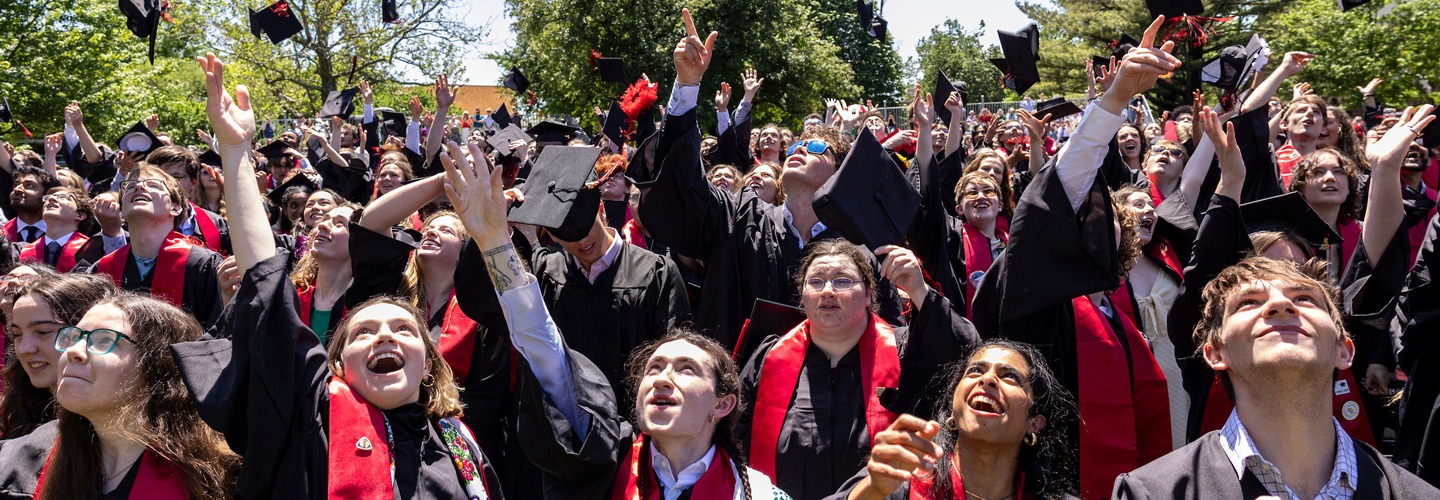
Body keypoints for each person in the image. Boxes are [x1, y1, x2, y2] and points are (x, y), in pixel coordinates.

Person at [440, 68, 790, 498]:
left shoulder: (654, 271)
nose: (581, 242)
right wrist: (489, 237)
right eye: (567, 236)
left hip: (633, 437)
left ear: (603, 211)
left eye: (587, 228)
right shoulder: (546, 269)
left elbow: (671, 350)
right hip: (559, 435)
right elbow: (510, 316)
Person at [169, 53, 504, 499]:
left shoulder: (462, 450)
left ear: (430, 363)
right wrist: (235, 154)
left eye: (405, 328)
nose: (385, 336)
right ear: (338, 364)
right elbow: (265, 284)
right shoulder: (311, 416)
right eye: (363, 331)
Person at [971, 18, 1180, 497]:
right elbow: (1056, 192)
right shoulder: (1038, 296)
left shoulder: (1118, 315)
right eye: (1071, 215)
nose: (1076, 219)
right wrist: (1111, 103)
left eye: (1094, 219)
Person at [1113, 258, 1437, 499]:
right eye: (1249, 302)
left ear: (1344, 351)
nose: (1281, 304)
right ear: (1215, 354)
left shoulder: (1418, 496)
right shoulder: (1153, 492)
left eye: (1305, 299)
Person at [0, 292, 239, 498]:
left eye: (103, 340)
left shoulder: (220, 475)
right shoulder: (28, 463)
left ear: (157, 368)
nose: (73, 351)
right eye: (73, 337)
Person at [828, 340, 1077, 499]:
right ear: (953, 410)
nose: (987, 380)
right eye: (975, 370)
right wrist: (873, 490)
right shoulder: (900, 480)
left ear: (1034, 423)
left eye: (1009, 376)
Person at [91, 164, 226, 327]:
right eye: (130, 186)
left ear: (175, 208)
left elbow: (219, 333)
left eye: (154, 185)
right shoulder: (103, 270)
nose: (139, 186)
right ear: (121, 211)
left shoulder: (203, 265)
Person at [17, 187, 104, 272]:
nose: (51, 198)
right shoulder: (24, 251)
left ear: (80, 215)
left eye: (63, 197)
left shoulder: (90, 250)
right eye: (47, 198)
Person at [5, 166, 57, 244]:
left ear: (46, 195)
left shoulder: (63, 233)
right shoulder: (3, 233)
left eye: (29, 185)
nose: (17, 189)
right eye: (15, 185)